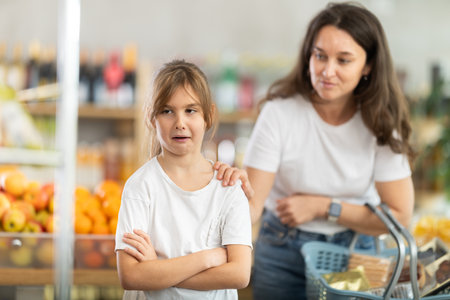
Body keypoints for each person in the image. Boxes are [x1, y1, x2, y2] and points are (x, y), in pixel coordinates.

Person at [214, 2, 415, 299]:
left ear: (368, 66)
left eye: (344, 60)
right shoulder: (279, 114)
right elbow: (252, 207)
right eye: (319, 56)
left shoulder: (381, 123)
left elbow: (398, 216)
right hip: (281, 249)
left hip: (356, 254)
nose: (327, 71)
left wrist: (323, 206)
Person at [115, 60, 252, 300]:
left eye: (190, 110)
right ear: (151, 117)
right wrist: (207, 258)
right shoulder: (140, 186)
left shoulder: (228, 187)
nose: (180, 122)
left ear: (208, 116)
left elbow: (239, 274)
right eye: (167, 111)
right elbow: (131, 276)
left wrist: (156, 272)